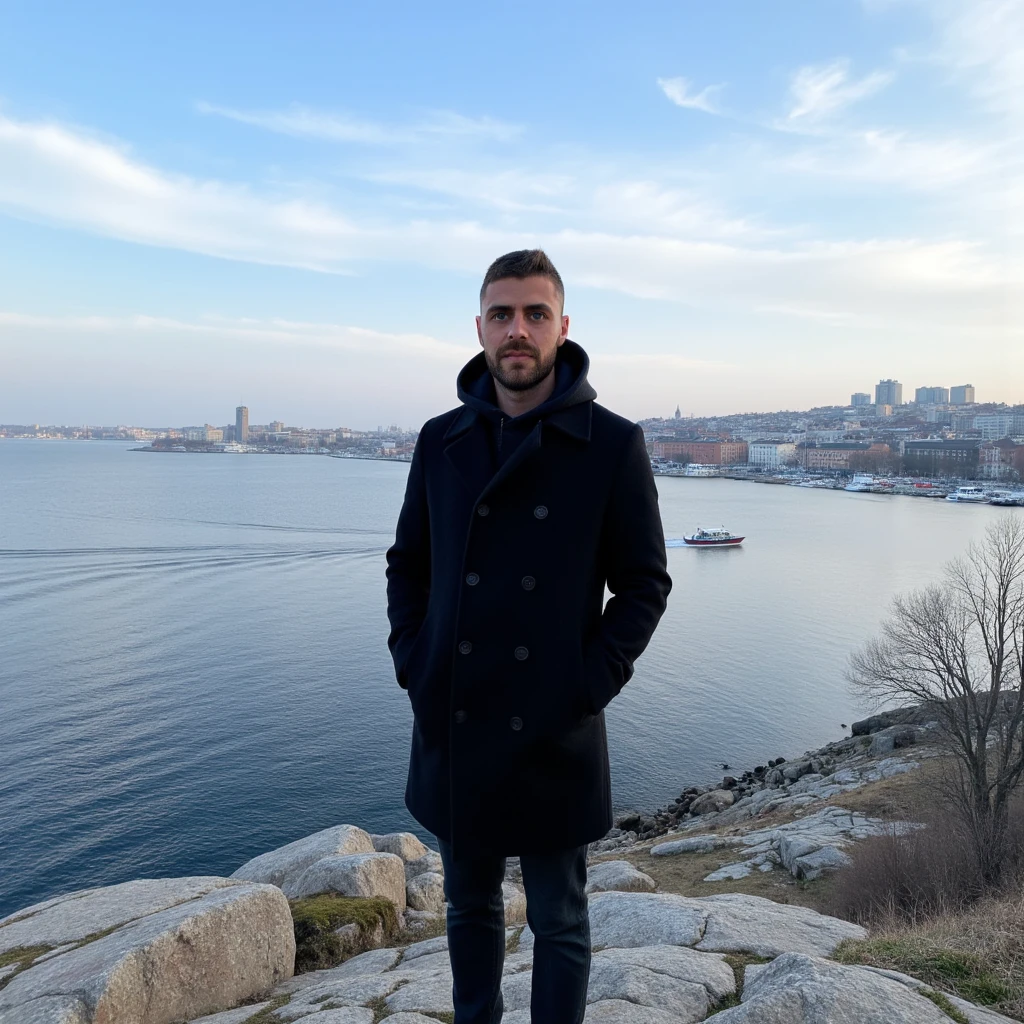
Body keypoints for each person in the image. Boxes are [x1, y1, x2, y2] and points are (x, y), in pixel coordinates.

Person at [386, 249, 671, 1024]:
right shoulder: (438, 440)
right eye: (503, 314)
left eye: (534, 314)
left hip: (555, 723)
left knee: (561, 919)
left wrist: (588, 682)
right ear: (479, 327)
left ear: (562, 327)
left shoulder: (612, 445)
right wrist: (416, 662)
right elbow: (407, 565)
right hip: (455, 712)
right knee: (469, 907)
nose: (519, 330)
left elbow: (644, 584)